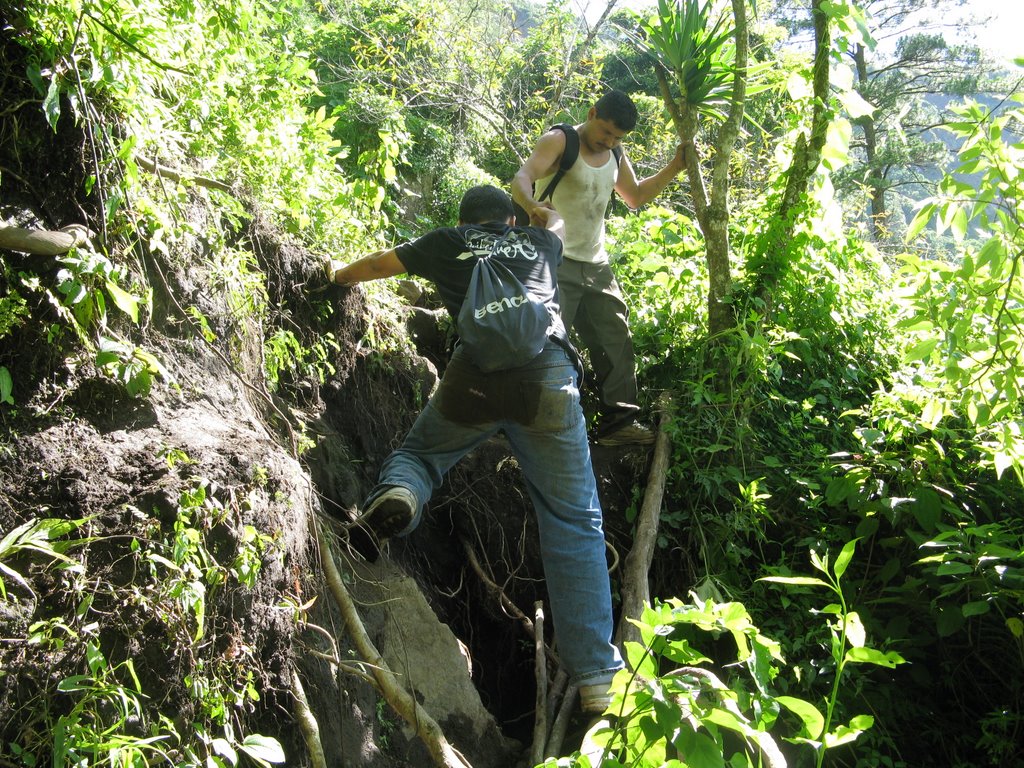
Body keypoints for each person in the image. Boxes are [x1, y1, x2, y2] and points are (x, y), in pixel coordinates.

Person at [329, 184, 623, 714]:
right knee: (573, 520)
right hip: (547, 378)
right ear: (508, 221)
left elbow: (376, 265)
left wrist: (334, 276)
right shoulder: (538, 243)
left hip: (473, 381)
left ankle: (402, 493)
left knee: (421, 455)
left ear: (465, 222)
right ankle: (598, 678)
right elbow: (556, 225)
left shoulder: (448, 242)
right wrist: (535, 209)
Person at [512, 89, 685, 447]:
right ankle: (523, 422)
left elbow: (634, 196)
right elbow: (523, 176)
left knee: (615, 337)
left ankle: (618, 423)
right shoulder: (560, 141)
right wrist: (531, 205)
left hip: (596, 262)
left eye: (618, 137)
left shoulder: (615, 154)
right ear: (592, 113)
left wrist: (676, 166)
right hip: (555, 259)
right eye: (606, 132)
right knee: (544, 340)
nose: (609, 141)